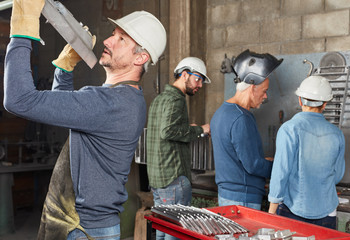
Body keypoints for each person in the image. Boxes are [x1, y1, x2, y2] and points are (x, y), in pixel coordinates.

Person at [4, 1, 166, 239]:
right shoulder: (127, 98)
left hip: (83, 230)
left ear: (140, 57)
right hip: (92, 226)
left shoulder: (109, 102)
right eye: (113, 34)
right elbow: (63, 111)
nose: (107, 41)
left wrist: (23, 28)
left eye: (121, 39)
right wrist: (65, 67)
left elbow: (17, 99)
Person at [268, 75, 345, 229]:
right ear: (324, 104)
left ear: (300, 100)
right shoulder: (337, 133)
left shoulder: (289, 129)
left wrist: (271, 213)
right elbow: (337, 175)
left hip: (294, 210)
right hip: (328, 211)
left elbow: (280, 174)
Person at [146, 57, 211, 240]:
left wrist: (187, 127)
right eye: (197, 79)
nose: (199, 85)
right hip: (173, 179)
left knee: (162, 230)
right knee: (175, 233)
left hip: (158, 179)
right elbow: (168, 131)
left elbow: (163, 130)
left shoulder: (159, 99)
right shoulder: (177, 100)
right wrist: (200, 130)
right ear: (184, 75)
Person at [210, 49, 283, 210]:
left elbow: (240, 156)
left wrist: (264, 161)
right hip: (242, 199)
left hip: (229, 196)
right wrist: (279, 167)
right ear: (251, 86)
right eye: (264, 91)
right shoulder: (241, 118)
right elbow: (253, 165)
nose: (265, 97)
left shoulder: (221, 111)